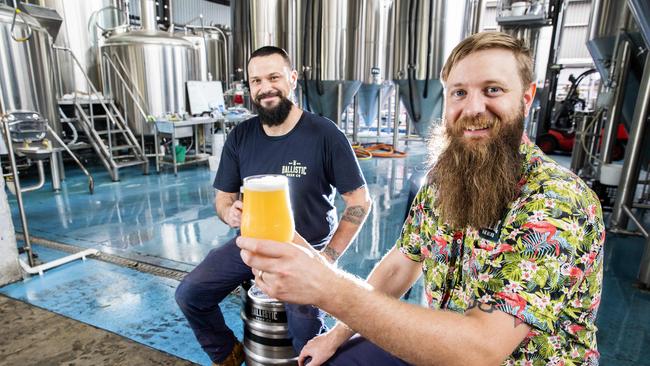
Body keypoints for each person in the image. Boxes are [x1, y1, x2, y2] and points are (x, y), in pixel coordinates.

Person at [237, 32, 605, 366]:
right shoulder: (445, 181)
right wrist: (334, 335)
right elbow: (401, 264)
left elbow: (482, 350)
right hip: (438, 345)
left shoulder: (557, 201)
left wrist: (328, 287)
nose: (473, 108)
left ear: (526, 98)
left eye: (493, 90)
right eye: (459, 93)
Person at [175, 46, 371, 366]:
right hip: (252, 242)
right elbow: (223, 198)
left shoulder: (324, 133)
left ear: (292, 79)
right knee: (190, 295)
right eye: (256, 81)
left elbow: (360, 201)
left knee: (304, 324)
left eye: (273, 77)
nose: (265, 87)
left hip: (305, 247)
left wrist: (326, 258)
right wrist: (228, 212)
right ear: (249, 88)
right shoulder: (241, 136)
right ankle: (228, 353)